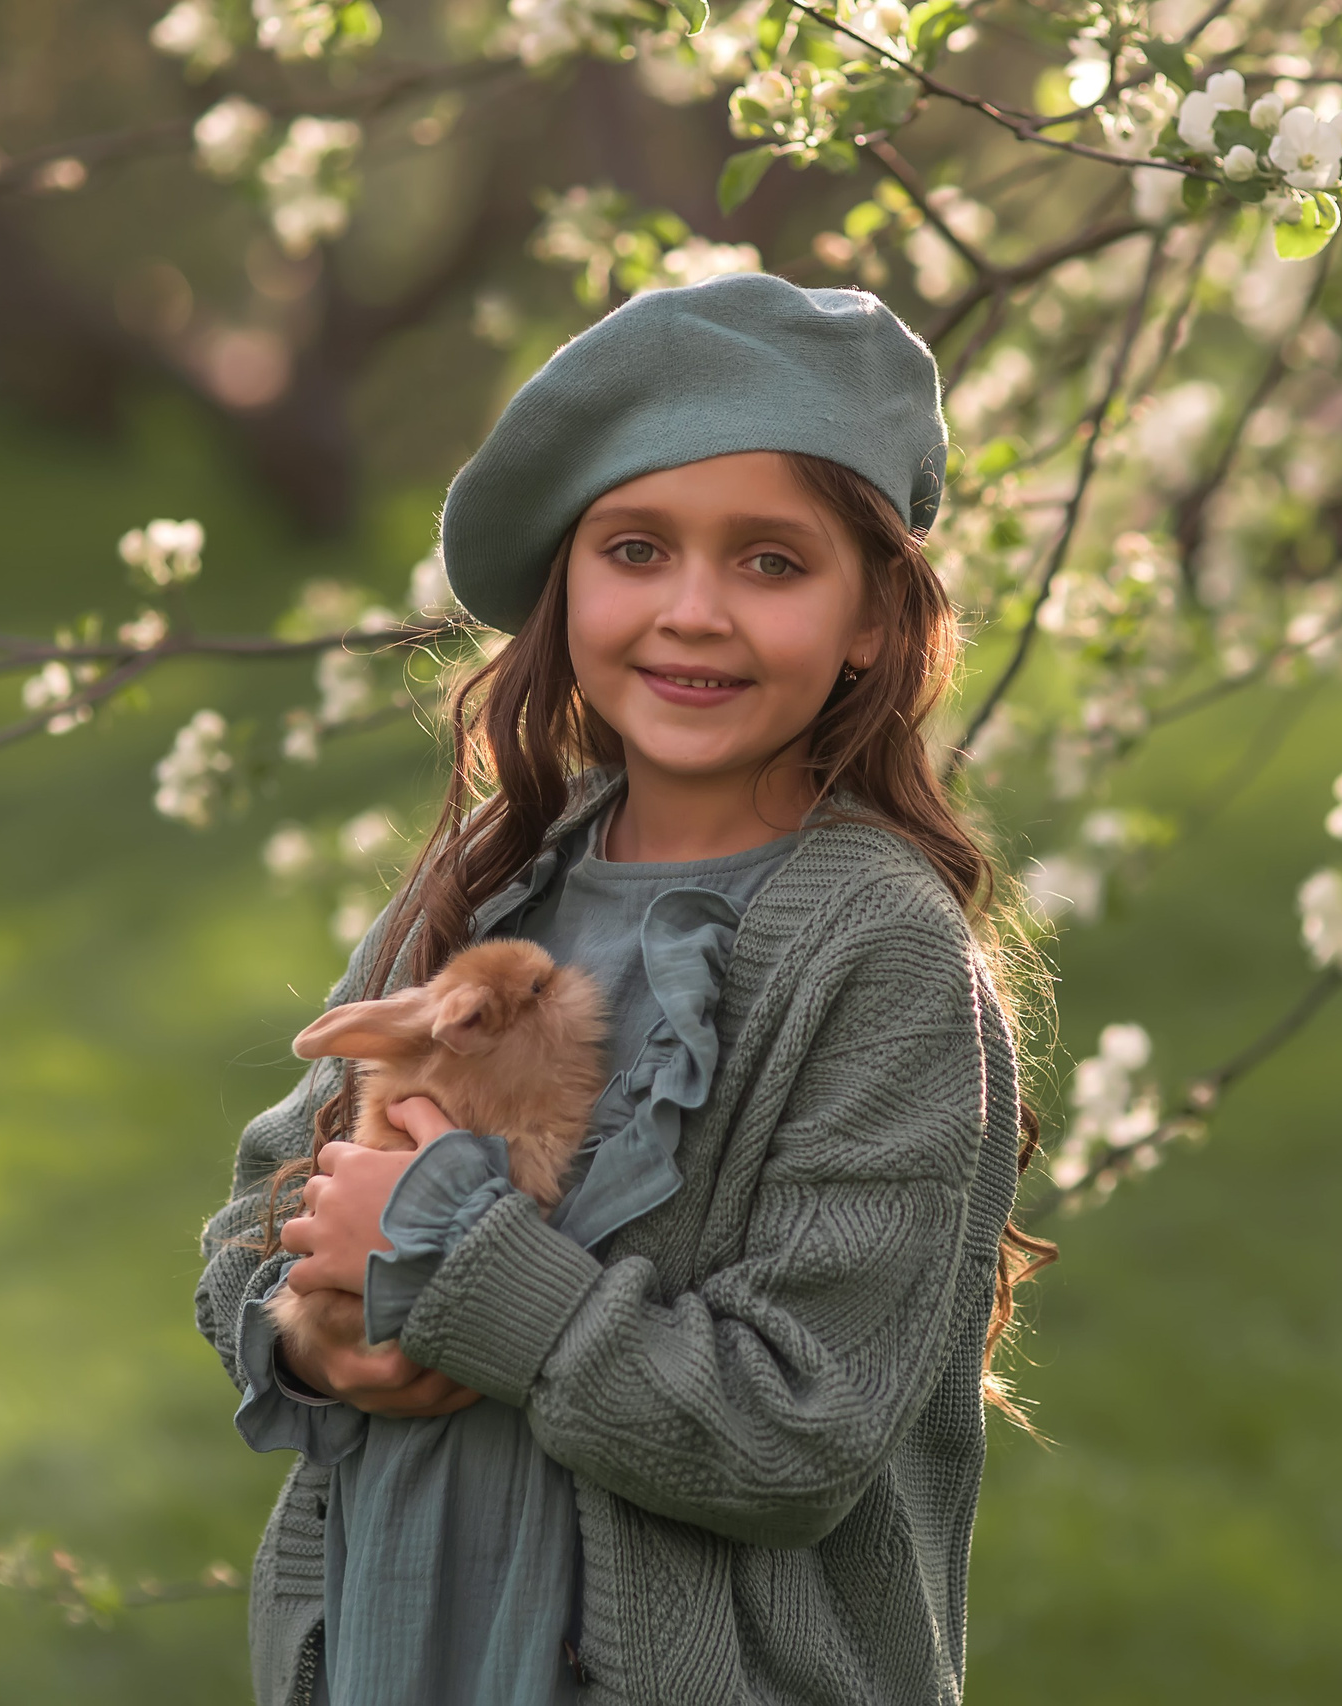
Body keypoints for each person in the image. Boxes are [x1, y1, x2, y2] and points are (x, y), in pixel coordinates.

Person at [194, 271, 1044, 1706]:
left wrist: (458, 1273)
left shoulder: (880, 953)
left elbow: (794, 1427)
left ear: (873, 623)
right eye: (638, 549)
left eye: (772, 562)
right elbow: (259, 1220)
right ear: (565, 586)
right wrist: (323, 1330)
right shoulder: (488, 883)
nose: (693, 612)